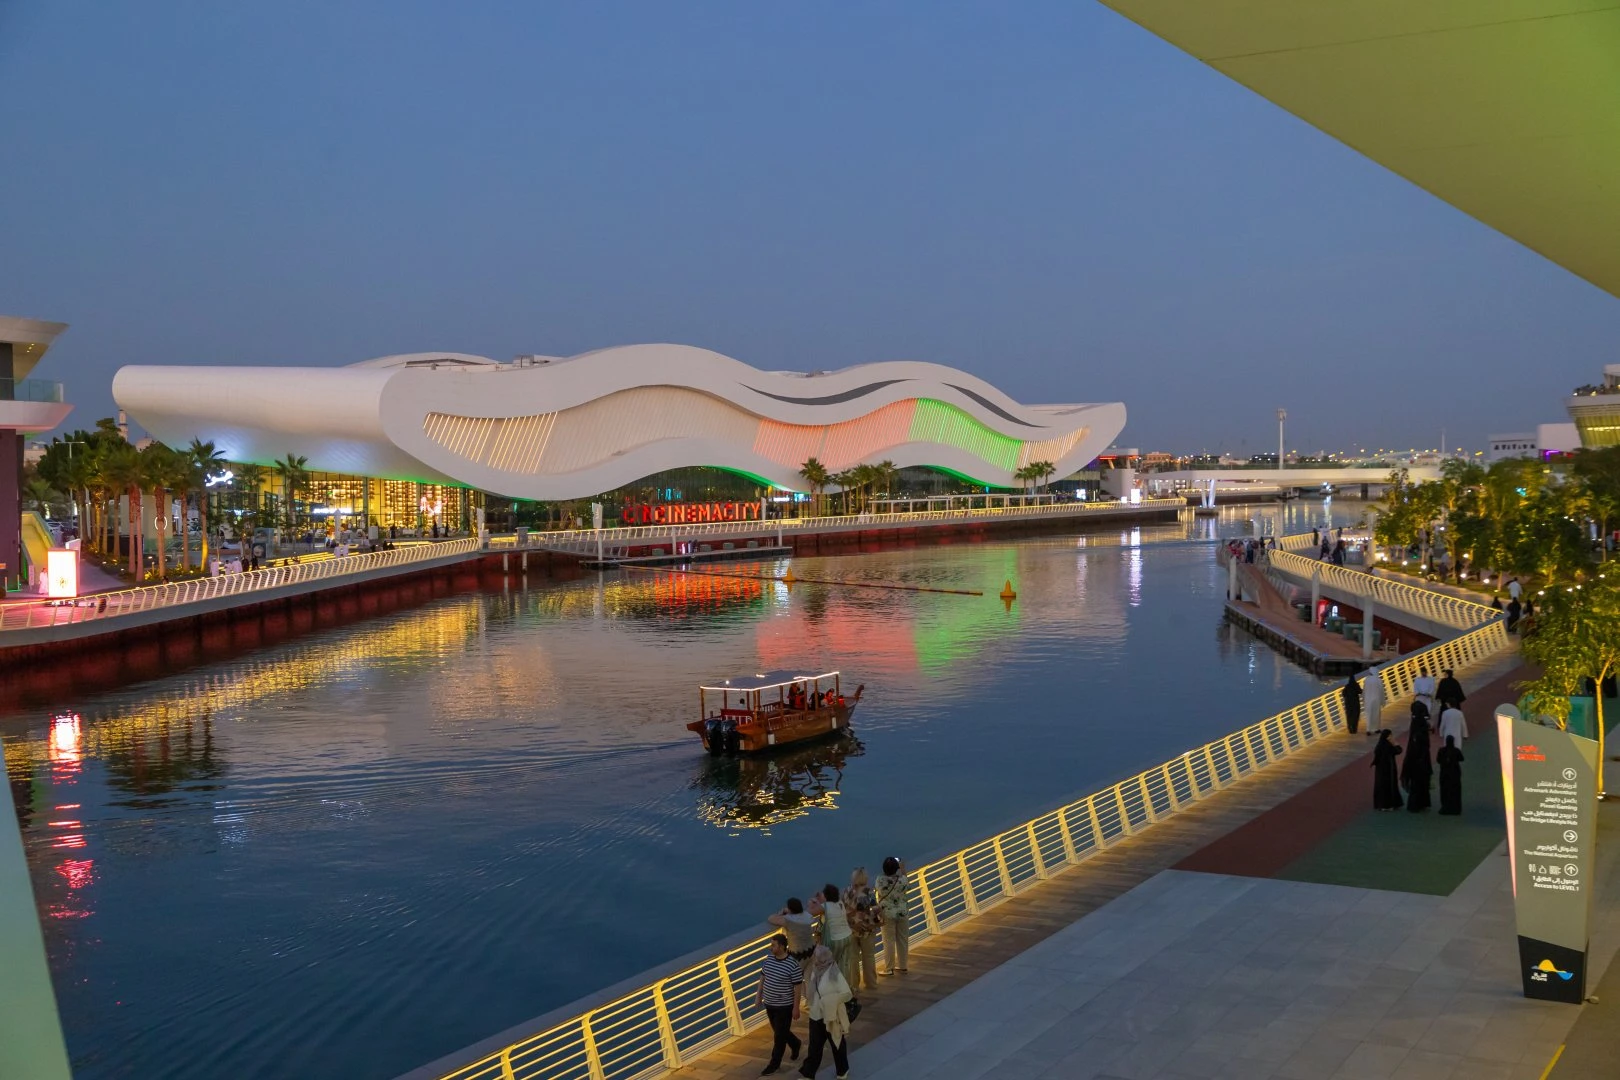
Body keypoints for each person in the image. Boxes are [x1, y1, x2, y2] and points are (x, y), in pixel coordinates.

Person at [797, 944, 852, 1080]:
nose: (813, 959)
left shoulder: (834, 973)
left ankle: (842, 1071)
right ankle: (808, 1074)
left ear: (822, 958)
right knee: (814, 1046)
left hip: (831, 1015)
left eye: (815, 956)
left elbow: (847, 993)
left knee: (837, 1044)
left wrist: (830, 1000)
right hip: (816, 1015)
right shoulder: (815, 971)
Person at [755, 934, 802, 1075]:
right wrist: (758, 997)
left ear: (782, 946)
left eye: (773, 945)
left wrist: (795, 1008)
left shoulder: (793, 964)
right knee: (780, 1032)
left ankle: (774, 1064)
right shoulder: (769, 959)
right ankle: (795, 1043)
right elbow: (762, 978)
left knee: (779, 1037)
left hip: (784, 1007)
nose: (771, 948)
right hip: (770, 1005)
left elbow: (798, 989)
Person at [810, 884, 856, 1009]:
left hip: (834, 941)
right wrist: (820, 900)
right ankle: (845, 995)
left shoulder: (825, 907)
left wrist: (813, 902)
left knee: (827, 969)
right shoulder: (840, 903)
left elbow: (810, 913)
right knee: (843, 967)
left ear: (826, 896)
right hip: (847, 937)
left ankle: (829, 997)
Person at [844, 867, 880, 994]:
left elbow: (843, 909)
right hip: (867, 929)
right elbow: (875, 909)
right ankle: (871, 983)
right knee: (868, 956)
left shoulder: (847, 892)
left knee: (853, 958)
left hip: (851, 928)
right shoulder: (868, 892)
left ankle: (854, 985)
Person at [875, 855, 910, 976]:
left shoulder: (880, 880)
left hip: (887, 914)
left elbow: (878, 890)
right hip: (902, 912)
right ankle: (903, 966)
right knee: (902, 939)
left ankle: (889, 968)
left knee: (888, 941)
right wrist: (903, 868)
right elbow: (907, 885)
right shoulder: (902, 880)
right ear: (897, 868)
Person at [1402, 703, 1434, 813]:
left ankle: (1415, 804)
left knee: (1415, 782)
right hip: (1423, 758)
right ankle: (1423, 803)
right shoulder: (1422, 724)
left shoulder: (1415, 723)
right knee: (1422, 781)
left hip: (1415, 758)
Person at [1372, 730, 1403, 810]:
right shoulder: (1389, 746)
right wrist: (1395, 743)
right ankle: (1389, 804)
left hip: (1380, 770)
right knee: (1389, 786)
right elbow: (1399, 750)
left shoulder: (1379, 746)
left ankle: (1381, 804)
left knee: (1381, 786)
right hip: (1389, 770)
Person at [1437, 735, 1465, 815]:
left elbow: (1438, 760)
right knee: (1455, 790)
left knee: (1444, 790)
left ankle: (1445, 807)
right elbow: (1462, 758)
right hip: (1455, 774)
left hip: (1444, 773)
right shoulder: (1456, 750)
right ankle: (1455, 808)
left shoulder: (1441, 750)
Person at [1362, 669, 1386, 736]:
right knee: (1376, 714)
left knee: (1368, 714)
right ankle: (1376, 729)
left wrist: (1363, 699)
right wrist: (1383, 701)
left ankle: (1368, 729)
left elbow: (1364, 690)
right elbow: (1381, 691)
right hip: (1376, 699)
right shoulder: (1378, 680)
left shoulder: (1366, 680)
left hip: (1368, 700)